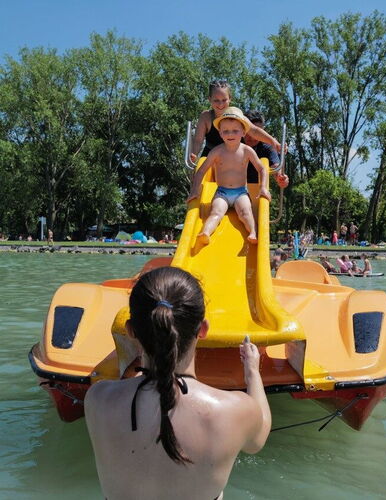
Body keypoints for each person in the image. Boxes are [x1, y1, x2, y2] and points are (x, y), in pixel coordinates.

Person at [85, 267, 271, 500]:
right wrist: (252, 372)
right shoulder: (236, 409)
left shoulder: (98, 398)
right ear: (203, 329)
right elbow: (257, 441)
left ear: (131, 330)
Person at [187, 107, 272, 245]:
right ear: (220, 133)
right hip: (222, 193)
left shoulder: (247, 151)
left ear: (243, 132)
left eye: (235, 131)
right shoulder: (216, 151)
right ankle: (205, 233)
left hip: (241, 193)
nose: (230, 134)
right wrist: (195, 190)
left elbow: (262, 168)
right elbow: (201, 171)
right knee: (216, 213)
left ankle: (253, 232)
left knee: (246, 213)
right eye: (225, 131)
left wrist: (263, 188)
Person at [190, 80, 280, 163]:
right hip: (210, 158)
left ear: (230, 98)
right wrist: (194, 154)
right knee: (199, 171)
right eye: (216, 100)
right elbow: (198, 140)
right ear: (209, 99)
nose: (220, 104)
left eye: (224, 100)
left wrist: (273, 141)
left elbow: (254, 131)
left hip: (232, 159)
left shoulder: (236, 116)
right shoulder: (206, 117)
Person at [244, 110, 289, 189]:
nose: (252, 138)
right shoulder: (232, 141)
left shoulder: (267, 147)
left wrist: (280, 177)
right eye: (249, 132)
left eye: (258, 132)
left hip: (258, 190)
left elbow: (276, 166)